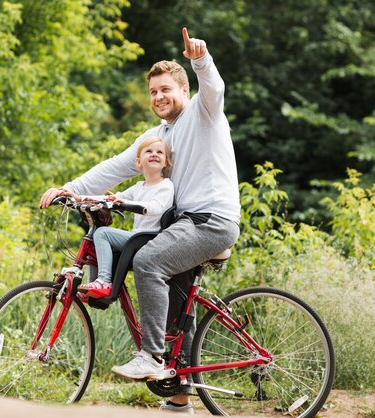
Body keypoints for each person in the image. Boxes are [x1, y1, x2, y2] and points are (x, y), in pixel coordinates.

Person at [40, 27, 240, 414]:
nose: (159, 97)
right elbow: (114, 169)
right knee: (176, 311)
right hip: (183, 224)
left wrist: (200, 59)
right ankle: (180, 399)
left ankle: (150, 356)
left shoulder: (204, 113)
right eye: (153, 92)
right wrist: (70, 189)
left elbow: (213, 88)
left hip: (211, 220)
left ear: (183, 90)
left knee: (148, 261)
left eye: (166, 89)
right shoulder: (158, 136)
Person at [63, 136, 174, 299]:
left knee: (103, 233)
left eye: (159, 152)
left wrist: (125, 203)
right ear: (138, 162)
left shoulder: (166, 185)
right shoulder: (138, 187)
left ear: (166, 162)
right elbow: (112, 199)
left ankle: (104, 282)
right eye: (149, 151)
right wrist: (79, 198)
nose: (154, 154)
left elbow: (155, 207)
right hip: (137, 237)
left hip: (150, 239)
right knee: (95, 236)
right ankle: (93, 288)